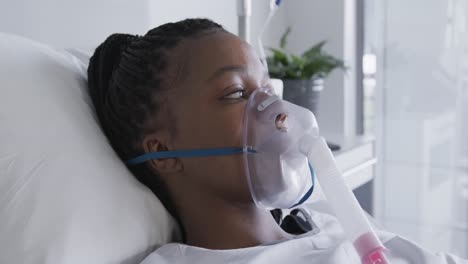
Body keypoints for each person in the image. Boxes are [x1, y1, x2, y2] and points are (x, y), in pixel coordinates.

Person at [87, 18, 467, 264]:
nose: (279, 112)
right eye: (235, 93)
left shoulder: (333, 223)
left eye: (268, 89)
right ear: (163, 150)